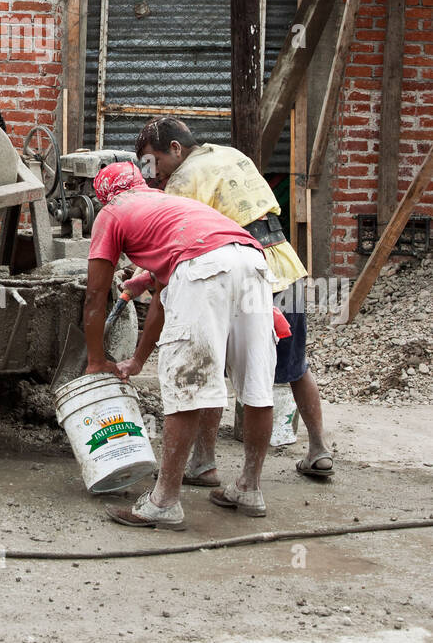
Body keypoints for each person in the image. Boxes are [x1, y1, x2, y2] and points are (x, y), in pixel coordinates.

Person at [135, 117, 333, 483]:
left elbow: (184, 244)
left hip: (242, 275)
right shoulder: (231, 154)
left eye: (153, 161)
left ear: (175, 149)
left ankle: (204, 462)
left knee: (213, 365)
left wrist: (148, 280)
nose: (153, 174)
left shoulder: (181, 182)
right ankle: (319, 449)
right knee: (294, 366)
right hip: (284, 263)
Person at [83, 162, 276, 530]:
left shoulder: (112, 212)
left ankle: (164, 501)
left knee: (186, 384)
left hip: (203, 266)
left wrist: (95, 360)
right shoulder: (169, 204)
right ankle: (249, 488)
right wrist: (138, 360)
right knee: (257, 384)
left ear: (102, 197)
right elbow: (162, 297)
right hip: (251, 259)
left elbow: (95, 296)